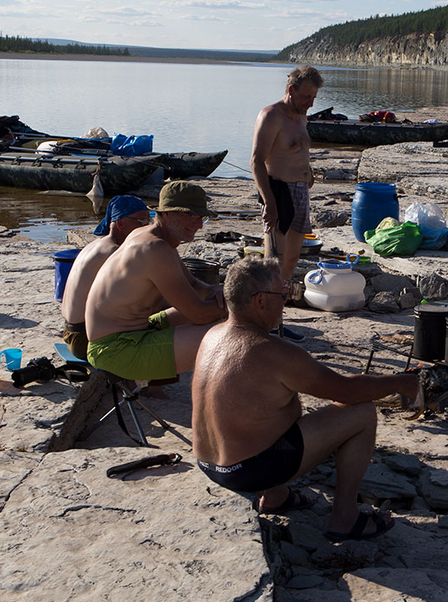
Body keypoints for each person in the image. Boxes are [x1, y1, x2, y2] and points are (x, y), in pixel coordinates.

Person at [192, 257, 420, 543]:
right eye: (282, 294)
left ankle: (276, 496)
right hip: (247, 472)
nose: (285, 302)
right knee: (361, 413)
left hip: (208, 464)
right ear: (260, 301)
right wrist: (400, 383)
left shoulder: (212, 335)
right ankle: (345, 519)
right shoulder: (272, 351)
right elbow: (346, 392)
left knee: (269, 410)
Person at [84, 181, 227, 382]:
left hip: (133, 331)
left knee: (225, 315)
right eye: (190, 215)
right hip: (115, 350)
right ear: (166, 213)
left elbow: (194, 285)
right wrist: (238, 305)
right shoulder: (154, 249)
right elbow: (199, 314)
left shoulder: (150, 236)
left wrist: (216, 291)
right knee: (230, 334)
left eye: (200, 217)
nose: (199, 224)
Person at [251, 65, 323, 341]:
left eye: (314, 97)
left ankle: (278, 322)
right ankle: (262, 325)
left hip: (301, 191)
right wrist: (269, 201)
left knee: (291, 261)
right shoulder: (271, 116)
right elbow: (256, 161)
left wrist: (309, 173)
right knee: (274, 262)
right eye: (307, 96)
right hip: (279, 192)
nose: (311, 103)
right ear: (291, 90)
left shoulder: (301, 117)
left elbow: (298, 151)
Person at [60, 195, 151, 361]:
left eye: (148, 221)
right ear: (120, 223)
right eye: (141, 221)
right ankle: (149, 386)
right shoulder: (112, 252)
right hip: (83, 339)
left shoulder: (97, 245)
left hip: (72, 331)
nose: (146, 227)